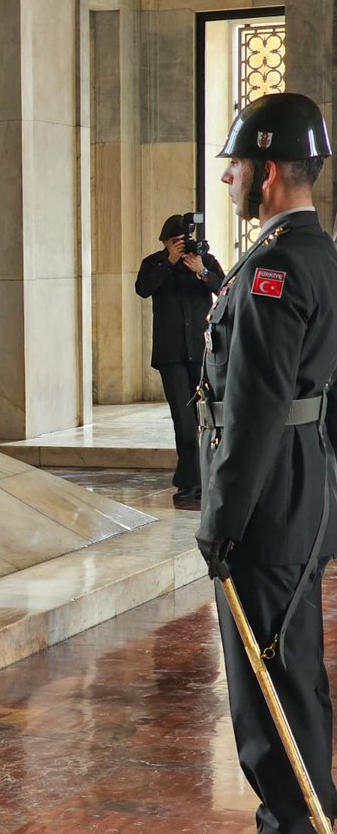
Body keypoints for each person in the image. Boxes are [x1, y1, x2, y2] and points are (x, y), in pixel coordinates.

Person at [197, 92, 337, 831]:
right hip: (302, 484)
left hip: (266, 499)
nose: (231, 180)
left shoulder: (276, 269)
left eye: (239, 166)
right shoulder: (320, 252)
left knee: (269, 682)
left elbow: (252, 411)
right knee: (294, 667)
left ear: (272, 170)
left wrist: (219, 521)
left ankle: (296, 820)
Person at [135, 214, 225, 509]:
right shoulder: (154, 264)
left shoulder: (205, 260)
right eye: (174, 242)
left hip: (202, 354)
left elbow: (224, 290)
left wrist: (201, 272)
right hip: (171, 354)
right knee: (183, 422)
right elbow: (143, 288)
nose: (181, 247)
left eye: (183, 241)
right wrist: (169, 262)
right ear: (164, 242)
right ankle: (189, 483)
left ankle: (202, 481)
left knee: (204, 419)